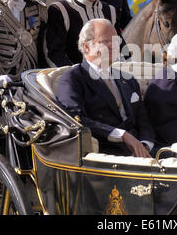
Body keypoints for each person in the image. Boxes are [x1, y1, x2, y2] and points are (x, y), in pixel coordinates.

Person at [56, 19, 155, 157]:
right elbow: (76, 119)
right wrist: (121, 135)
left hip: (142, 151)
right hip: (105, 153)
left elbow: (142, 118)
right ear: (86, 47)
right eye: (105, 41)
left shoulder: (128, 79)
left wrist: (145, 144)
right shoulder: (73, 79)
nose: (112, 46)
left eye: (116, 41)